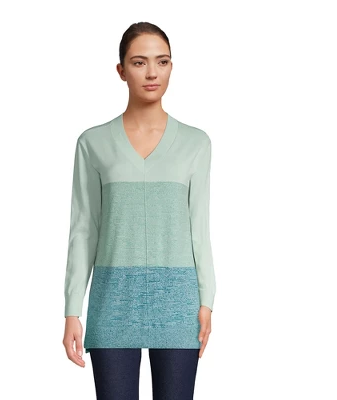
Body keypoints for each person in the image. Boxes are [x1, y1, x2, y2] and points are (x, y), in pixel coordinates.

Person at [62, 21, 216, 399]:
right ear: (121, 70)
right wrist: (72, 310)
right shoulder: (93, 143)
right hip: (112, 300)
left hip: (179, 301)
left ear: (171, 67)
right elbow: (84, 229)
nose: (151, 73)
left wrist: (207, 300)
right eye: (139, 62)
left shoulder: (196, 143)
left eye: (162, 62)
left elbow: (199, 228)